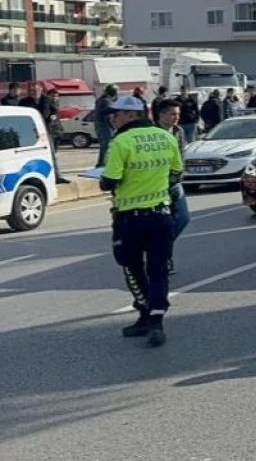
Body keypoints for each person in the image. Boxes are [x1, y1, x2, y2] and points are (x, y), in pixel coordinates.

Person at [98, 95, 184, 347]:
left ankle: (146, 312)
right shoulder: (166, 137)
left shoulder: (121, 141)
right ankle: (155, 320)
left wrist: (105, 181)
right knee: (158, 269)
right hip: (161, 215)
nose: (114, 118)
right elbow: (176, 173)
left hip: (130, 218)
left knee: (131, 266)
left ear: (130, 116)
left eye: (118, 114)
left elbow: (110, 180)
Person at [154, 99, 191, 275]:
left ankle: (160, 249)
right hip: (157, 184)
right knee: (163, 223)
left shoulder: (179, 131)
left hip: (175, 182)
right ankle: (163, 256)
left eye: (177, 114)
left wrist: (180, 172)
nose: (176, 117)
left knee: (183, 218)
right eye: (172, 114)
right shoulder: (152, 133)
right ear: (161, 115)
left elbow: (182, 154)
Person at [94, 84, 119, 167]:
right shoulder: (106, 101)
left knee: (104, 146)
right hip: (104, 126)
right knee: (106, 146)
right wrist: (113, 127)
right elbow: (108, 116)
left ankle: (101, 163)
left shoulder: (101, 99)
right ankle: (102, 164)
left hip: (100, 125)